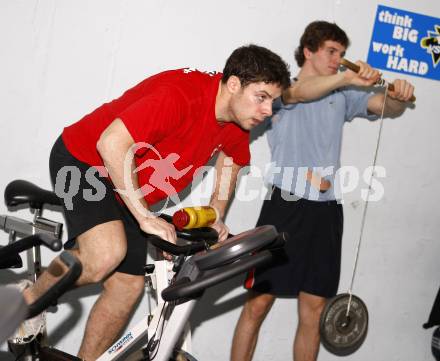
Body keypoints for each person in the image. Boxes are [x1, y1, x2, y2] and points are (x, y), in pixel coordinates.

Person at [12, 44, 291, 360]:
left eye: (273, 101)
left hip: (125, 182)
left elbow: (232, 159)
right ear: (234, 84)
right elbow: (111, 143)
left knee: (126, 288)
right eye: (262, 97)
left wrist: (215, 212)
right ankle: (27, 301)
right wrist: (144, 216)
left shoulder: (235, 119)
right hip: (85, 162)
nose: (269, 110)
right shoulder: (180, 96)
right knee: (105, 253)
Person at [231, 21, 415, 361]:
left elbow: (384, 106)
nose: (338, 59)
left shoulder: (342, 95)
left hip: (326, 211)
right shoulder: (282, 90)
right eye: (332, 51)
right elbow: (302, 93)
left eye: (342, 54)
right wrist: (347, 77)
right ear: (309, 51)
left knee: (313, 311)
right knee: (257, 306)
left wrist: (399, 96)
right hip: (285, 208)